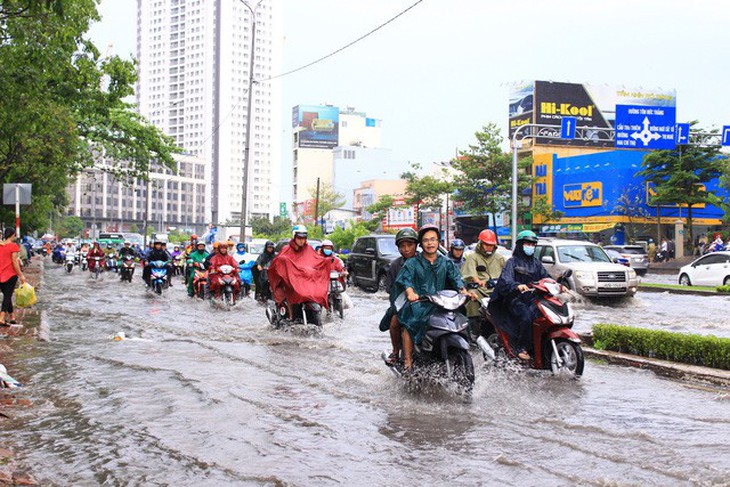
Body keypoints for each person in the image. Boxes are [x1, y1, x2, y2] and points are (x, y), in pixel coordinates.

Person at [394, 225, 476, 371]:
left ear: (439, 242)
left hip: (442, 302)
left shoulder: (446, 262)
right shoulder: (412, 263)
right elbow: (406, 280)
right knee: (409, 323)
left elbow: (457, 279)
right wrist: (411, 292)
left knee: (462, 316)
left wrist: (464, 291)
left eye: (433, 239)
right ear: (421, 244)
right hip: (420, 303)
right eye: (426, 240)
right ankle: (408, 361)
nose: (430, 243)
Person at [490, 230, 549, 361]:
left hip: (532, 298)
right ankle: (521, 347)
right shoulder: (512, 262)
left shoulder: (536, 263)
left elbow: (546, 278)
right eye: (528, 243)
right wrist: (516, 286)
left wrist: (559, 286)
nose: (530, 247)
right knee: (526, 317)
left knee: (544, 317)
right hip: (514, 299)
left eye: (533, 244)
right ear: (521, 245)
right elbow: (505, 280)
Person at [267, 225, 331, 319]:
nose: (302, 240)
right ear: (294, 237)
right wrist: (284, 263)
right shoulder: (286, 250)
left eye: (304, 238)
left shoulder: (309, 249)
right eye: (299, 238)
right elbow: (277, 264)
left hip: (304, 282)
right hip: (290, 283)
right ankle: (286, 316)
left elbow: (316, 260)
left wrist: (327, 261)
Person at [379, 227, 418, 366]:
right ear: (399, 248)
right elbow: (391, 289)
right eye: (403, 246)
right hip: (402, 303)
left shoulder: (423, 261)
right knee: (395, 322)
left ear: (416, 245)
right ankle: (396, 351)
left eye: (410, 245)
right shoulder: (395, 265)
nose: (407, 249)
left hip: (423, 302)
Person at [461, 229, 506, 338]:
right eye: (486, 244)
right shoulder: (473, 257)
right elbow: (470, 274)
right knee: (472, 298)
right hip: (480, 290)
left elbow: (507, 274)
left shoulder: (499, 258)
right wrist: (478, 281)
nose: (488, 247)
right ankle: (474, 331)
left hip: (496, 290)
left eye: (491, 245)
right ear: (480, 244)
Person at [0, 228, 27, 326]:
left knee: (7, 296)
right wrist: (21, 275)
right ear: (12, 235)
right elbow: (15, 262)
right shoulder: (13, 246)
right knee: (7, 296)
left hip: (1, 275)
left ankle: (12, 316)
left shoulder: (1, 245)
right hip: (10, 274)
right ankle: (2, 318)